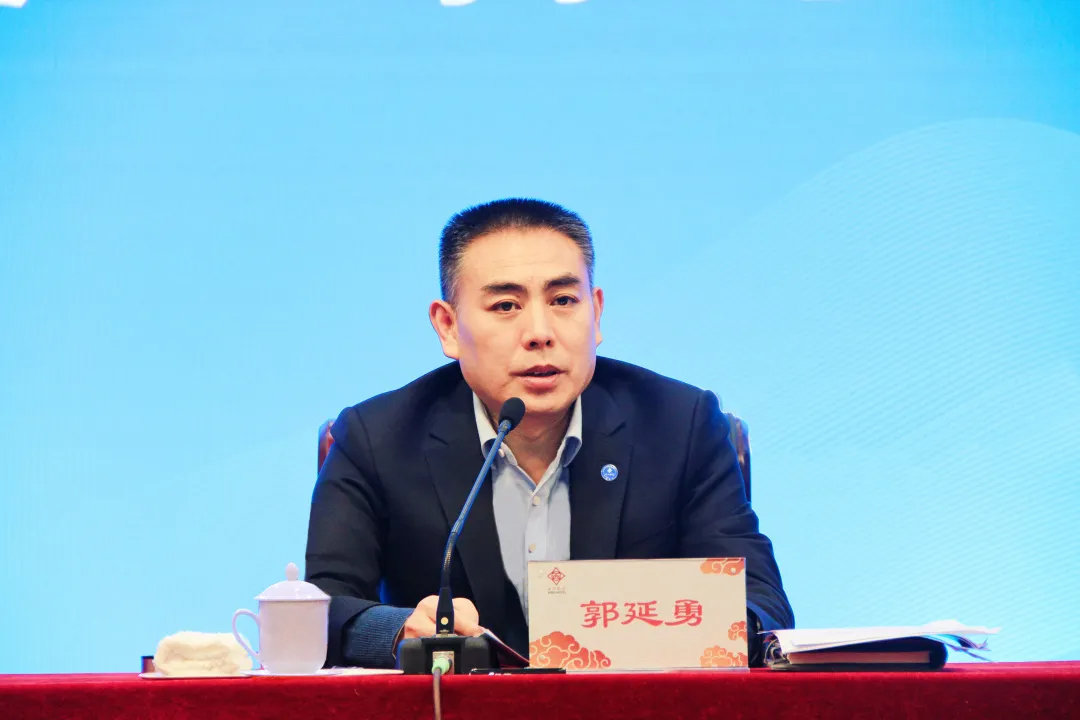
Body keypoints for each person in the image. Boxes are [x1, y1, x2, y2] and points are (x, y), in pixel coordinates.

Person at [305, 198, 793, 668]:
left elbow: (760, 601)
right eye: (505, 305)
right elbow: (319, 610)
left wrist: (698, 631)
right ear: (448, 326)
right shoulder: (377, 438)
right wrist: (398, 631)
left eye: (563, 300)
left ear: (595, 313)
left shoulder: (680, 424)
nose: (540, 332)